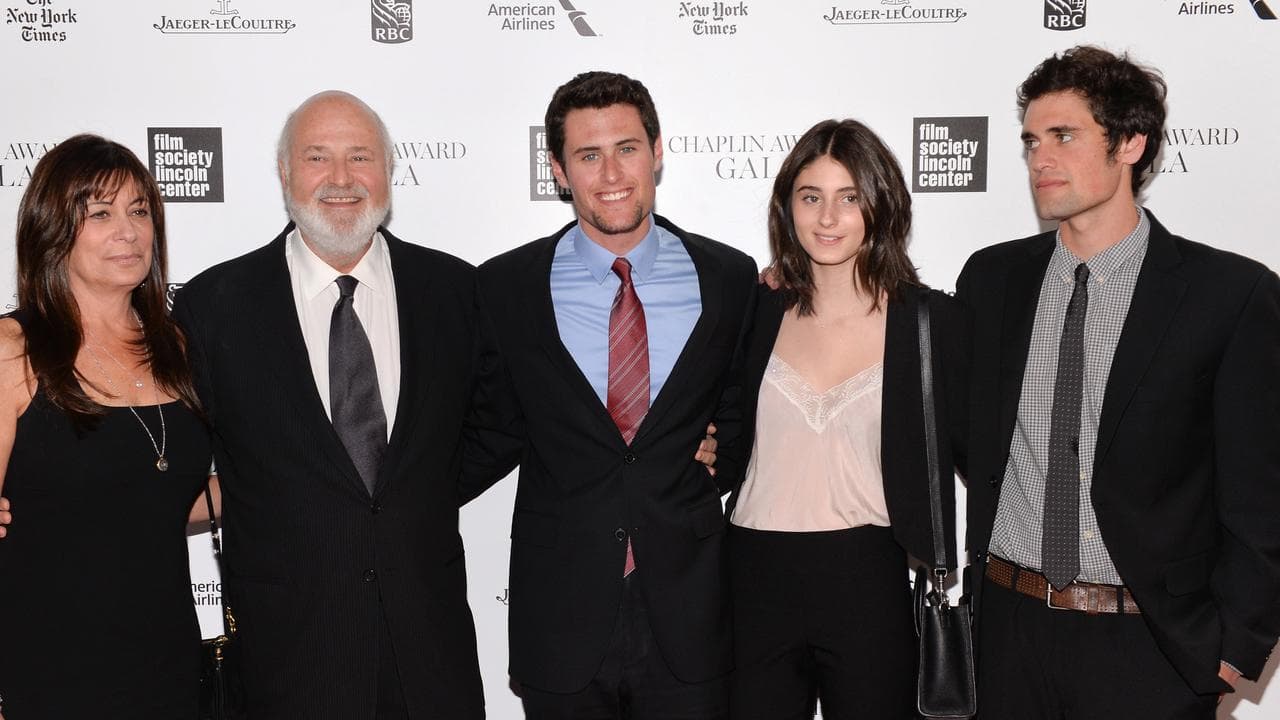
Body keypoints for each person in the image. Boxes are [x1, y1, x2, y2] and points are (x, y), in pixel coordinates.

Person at [957, 45, 1280, 718]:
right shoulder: (992, 280)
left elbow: (1261, 493)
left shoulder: (1229, 295)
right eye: (1031, 141)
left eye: (1065, 136)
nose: (1040, 159)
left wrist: (1235, 644)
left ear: (1130, 142)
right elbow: (954, 422)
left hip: (1151, 648)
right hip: (1007, 635)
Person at [172, 91, 484, 719]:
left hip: (429, 658)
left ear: (388, 173)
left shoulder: (455, 291)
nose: (341, 179)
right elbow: (164, 452)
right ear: (285, 173)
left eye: (360, 157)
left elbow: (501, 423)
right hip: (284, 660)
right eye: (317, 157)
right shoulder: (213, 306)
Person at [460, 71, 757, 719]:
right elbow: (491, 429)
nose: (611, 172)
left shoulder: (729, 277)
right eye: (588, 155)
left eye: (626, 147)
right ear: (559, 171)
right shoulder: (506, 289)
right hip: (559, 616)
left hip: (693, 613)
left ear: (657, 150)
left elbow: (743, 416)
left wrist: (718, 459)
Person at [719, 119, 968, 720]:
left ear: (881, 204)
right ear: (788, 208)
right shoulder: (752, 309)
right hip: (751, 573)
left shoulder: (929, 322)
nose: (828, 218)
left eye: (849, 197)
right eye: (811, 197)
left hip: (869, 577)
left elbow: (981, 453)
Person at [0, 134, 211, 718]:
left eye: (139, 210)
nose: (129, 230)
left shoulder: (179, 349)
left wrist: (295, 484)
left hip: (166, 663)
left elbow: (155, 493)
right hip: (48, 670)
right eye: (100, 214)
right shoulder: (13, 349)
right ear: (51, 230)